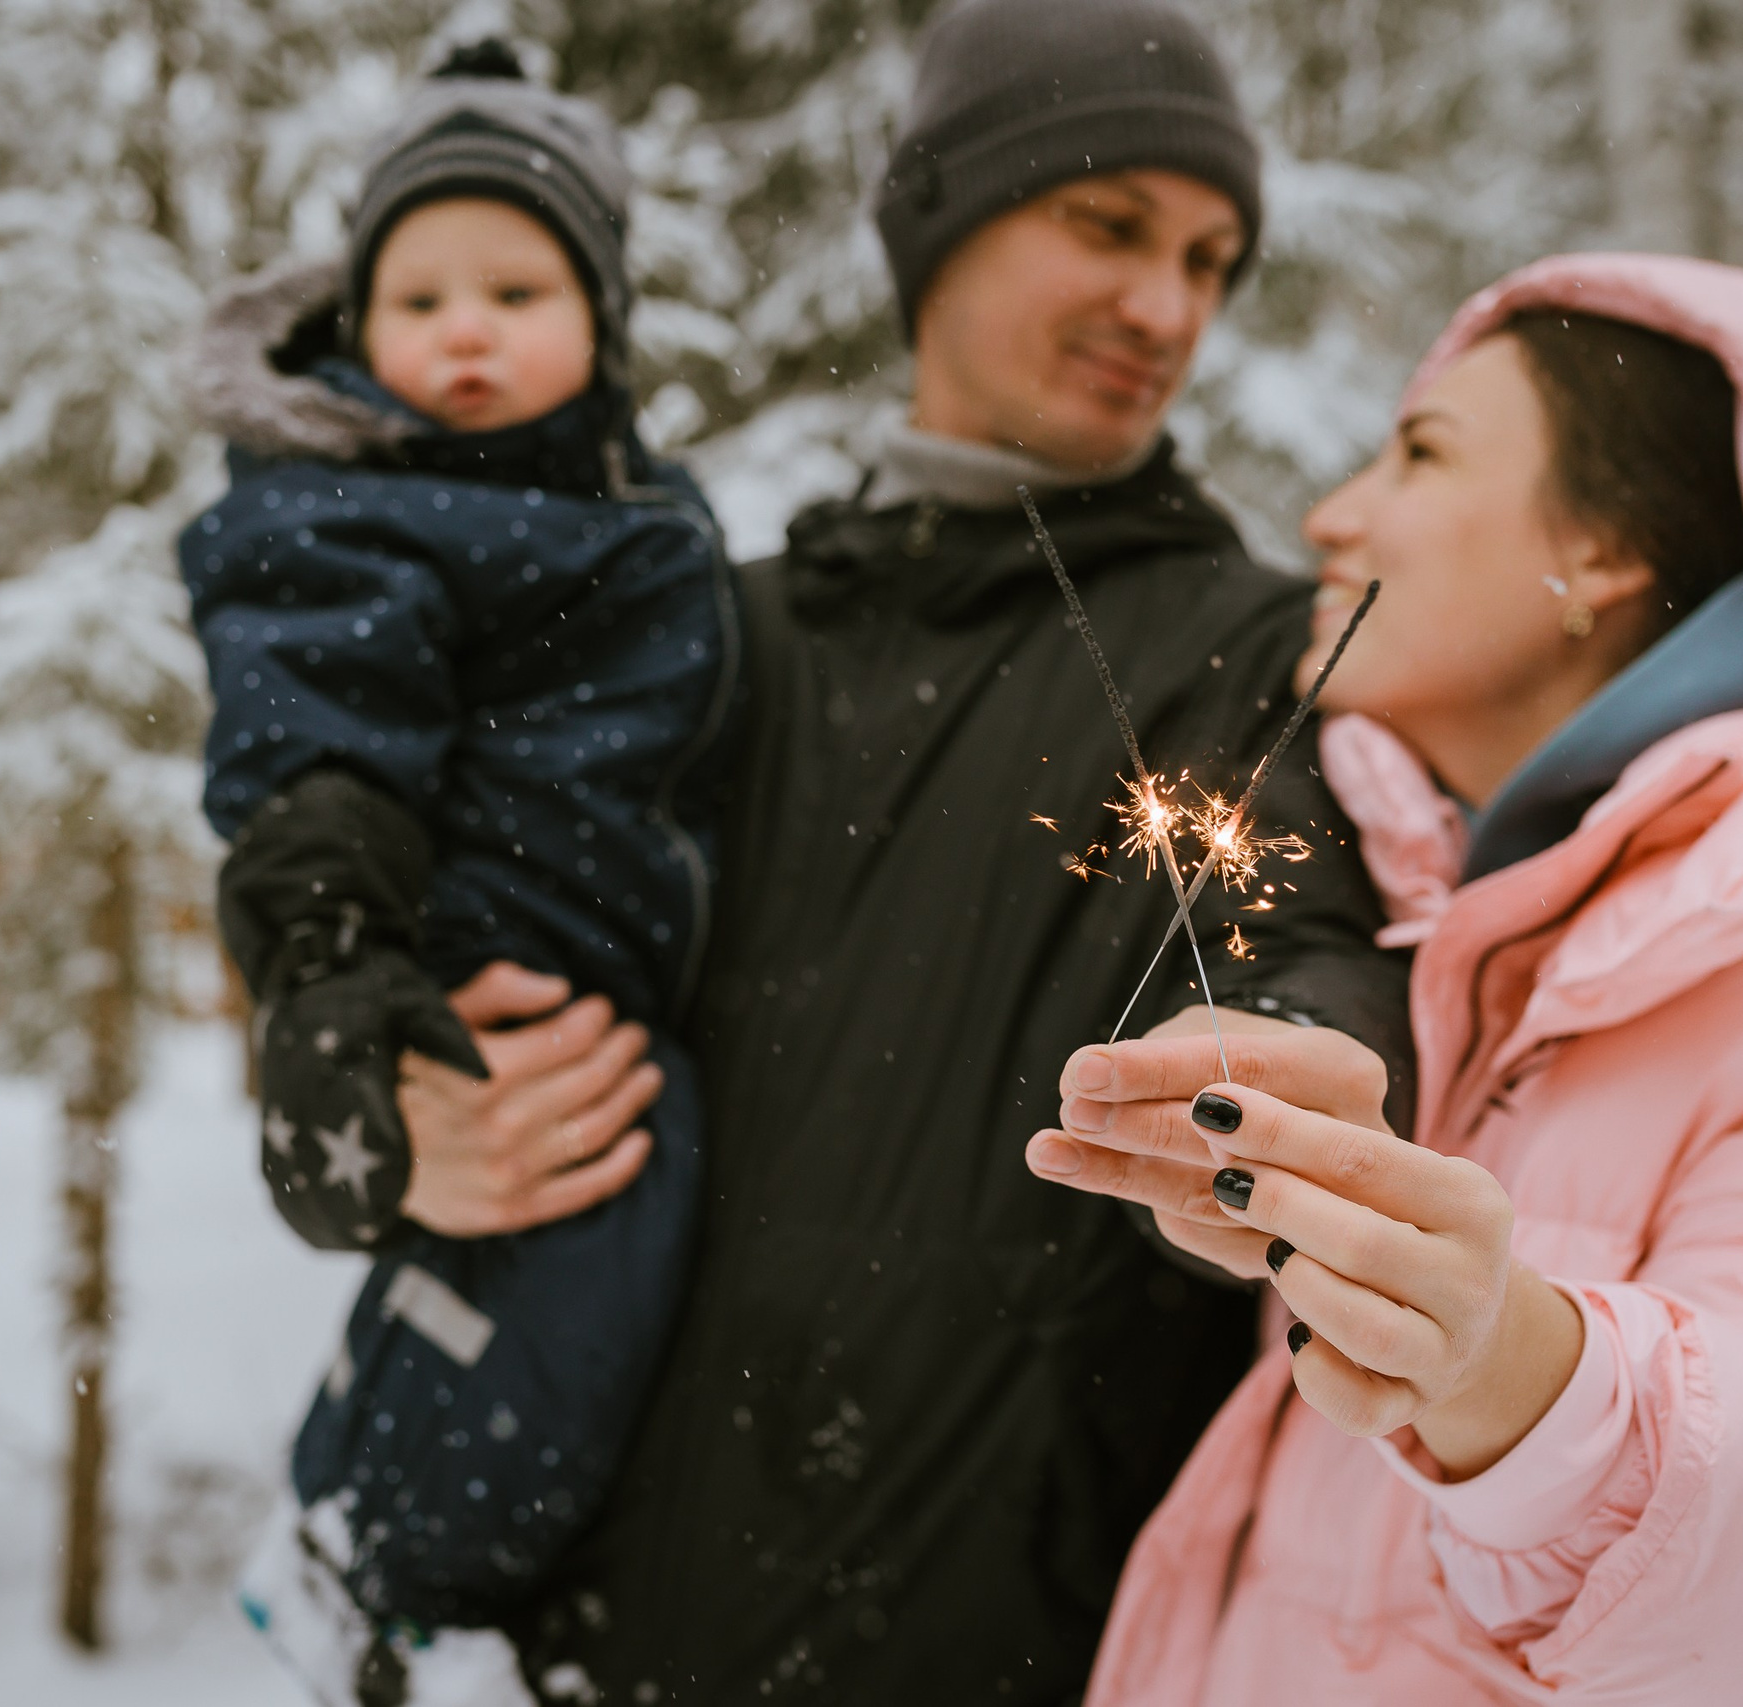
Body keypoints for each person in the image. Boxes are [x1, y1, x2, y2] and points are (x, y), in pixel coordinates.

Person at [461, 2, 1415, 1700]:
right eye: (1109, 226)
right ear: (943, 223)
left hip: (983, 1647)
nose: (1167, 307)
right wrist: (390, 1111)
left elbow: (1299, 936)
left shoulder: (1245, 661)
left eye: (1208, 260)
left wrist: (1301, 1069)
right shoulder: (713, 641)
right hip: (591, 1638)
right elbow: (469, 959)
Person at [1033, 253, 1743, 1703]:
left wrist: (1534, 1397)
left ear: (1602, 553)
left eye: (1420, 454)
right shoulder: (1440, 930)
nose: (1330, 515)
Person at [175, 40, 737, 1699]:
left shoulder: (647, 510)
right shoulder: (349, 512)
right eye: (418, 299)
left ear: (604, 319)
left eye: (515, 286)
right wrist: (334, 960)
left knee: (533, 1276)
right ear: (357, 323)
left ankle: (411, 1542)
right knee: (561, 1274)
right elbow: (313, 756)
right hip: (482, 972)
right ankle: (392, 1575)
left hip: (615, 972)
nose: (466, 329)